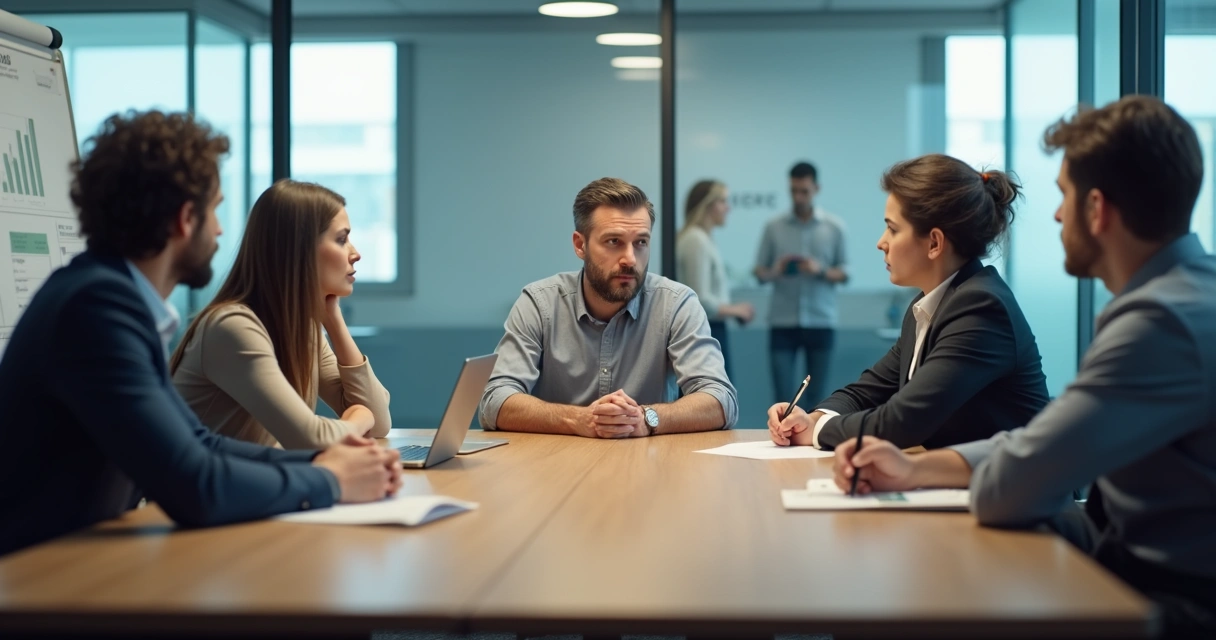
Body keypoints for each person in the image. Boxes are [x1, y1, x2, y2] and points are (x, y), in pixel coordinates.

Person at [832, 95, 1216, 638]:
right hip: (1138, 560)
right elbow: (1052, 437)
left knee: (910, 585)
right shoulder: (1186, 295)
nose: (1057, 214)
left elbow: (1012, 485)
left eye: (1065, 195)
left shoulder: (1158, 323)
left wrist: (933, 470)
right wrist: (916, 470)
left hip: (1172, 598)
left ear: (1097, 209)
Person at [0, 110, 401, 557]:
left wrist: (324, 461)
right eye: (214, 210)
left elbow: (200, 443)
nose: (221, 229)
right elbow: (194, 483)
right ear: (184, 219)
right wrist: (329, 479)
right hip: (36, 578)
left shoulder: (107, 298)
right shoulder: (95, 311)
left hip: (72, 561)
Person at [767, 154, 1049, 450]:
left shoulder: (981, 308)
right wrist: (813, 417)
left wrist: (816, 431)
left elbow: (901, 422)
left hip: (1014, 493)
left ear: (934, 243)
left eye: (893, 228)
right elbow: (865, 392)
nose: (881, 242)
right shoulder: (928, 306)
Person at [478, 177, 737, 438]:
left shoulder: (676, 304)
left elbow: (720, 399)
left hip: (648, 467)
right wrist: (577, 419)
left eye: (641, 242)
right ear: (580, 245)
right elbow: (495, 400)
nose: (630, 259)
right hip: (555, 467)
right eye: (614, 241)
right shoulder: (539, 303)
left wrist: (644, 419)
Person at [170, 180, 392, 449]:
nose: (355, 254)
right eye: (342, 239)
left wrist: (333, 319)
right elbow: (311, 438)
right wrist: (358, 417)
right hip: (200, 491)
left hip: (252, 487)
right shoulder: (232, 327)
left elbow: (379, 423)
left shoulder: (303, 329)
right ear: (300, 249)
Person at [754, 161, 847, 407]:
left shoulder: (834, 227)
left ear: (816, 188)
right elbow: (760, 273)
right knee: (783, 398)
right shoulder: (773, 227)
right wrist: (777, 270)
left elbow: (845, 273)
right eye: (794, 190)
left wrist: (820, 270)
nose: (798, 197)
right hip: (782, 322)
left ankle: (811, 442)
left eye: (804, 191)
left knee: (818, 399)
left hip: (821, 321)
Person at [676, 179, 754, 378]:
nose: (728, 208)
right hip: (704, 333)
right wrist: (736, 310)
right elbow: (699, 299)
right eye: (723, 201)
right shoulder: (695, 239)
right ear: (707, 205)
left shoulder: (703, 239)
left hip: (711, 330)